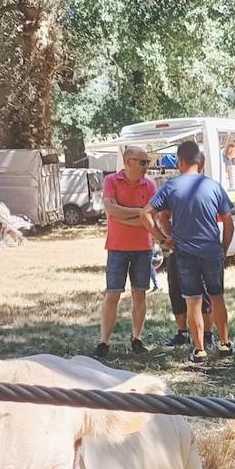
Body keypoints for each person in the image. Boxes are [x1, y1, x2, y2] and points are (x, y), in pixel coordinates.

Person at [146, 140, 235, 364]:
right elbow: (229, 222)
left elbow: (146, 214)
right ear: (200, 162)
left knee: (192, 301)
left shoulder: (171, 186)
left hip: (184, 252)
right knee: (217, 297)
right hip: (211, 250)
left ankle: (199, 349)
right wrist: (223, 248)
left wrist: (163, 238)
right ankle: (225, 344)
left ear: (180, 161)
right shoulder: (214, 186)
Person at [96, 146, 158, 357]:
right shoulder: (111, 181)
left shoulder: (149, 185)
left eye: (147, 163)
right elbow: (110, 210)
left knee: (139, 294)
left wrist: (126, 216)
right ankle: (104, 342)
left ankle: (137, 338)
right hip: (117, 247)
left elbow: (152, 219)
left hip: (143, 248)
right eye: (143, 162)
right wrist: (139, 214)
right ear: (128, 161)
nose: (146, 167)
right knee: (112, 295)